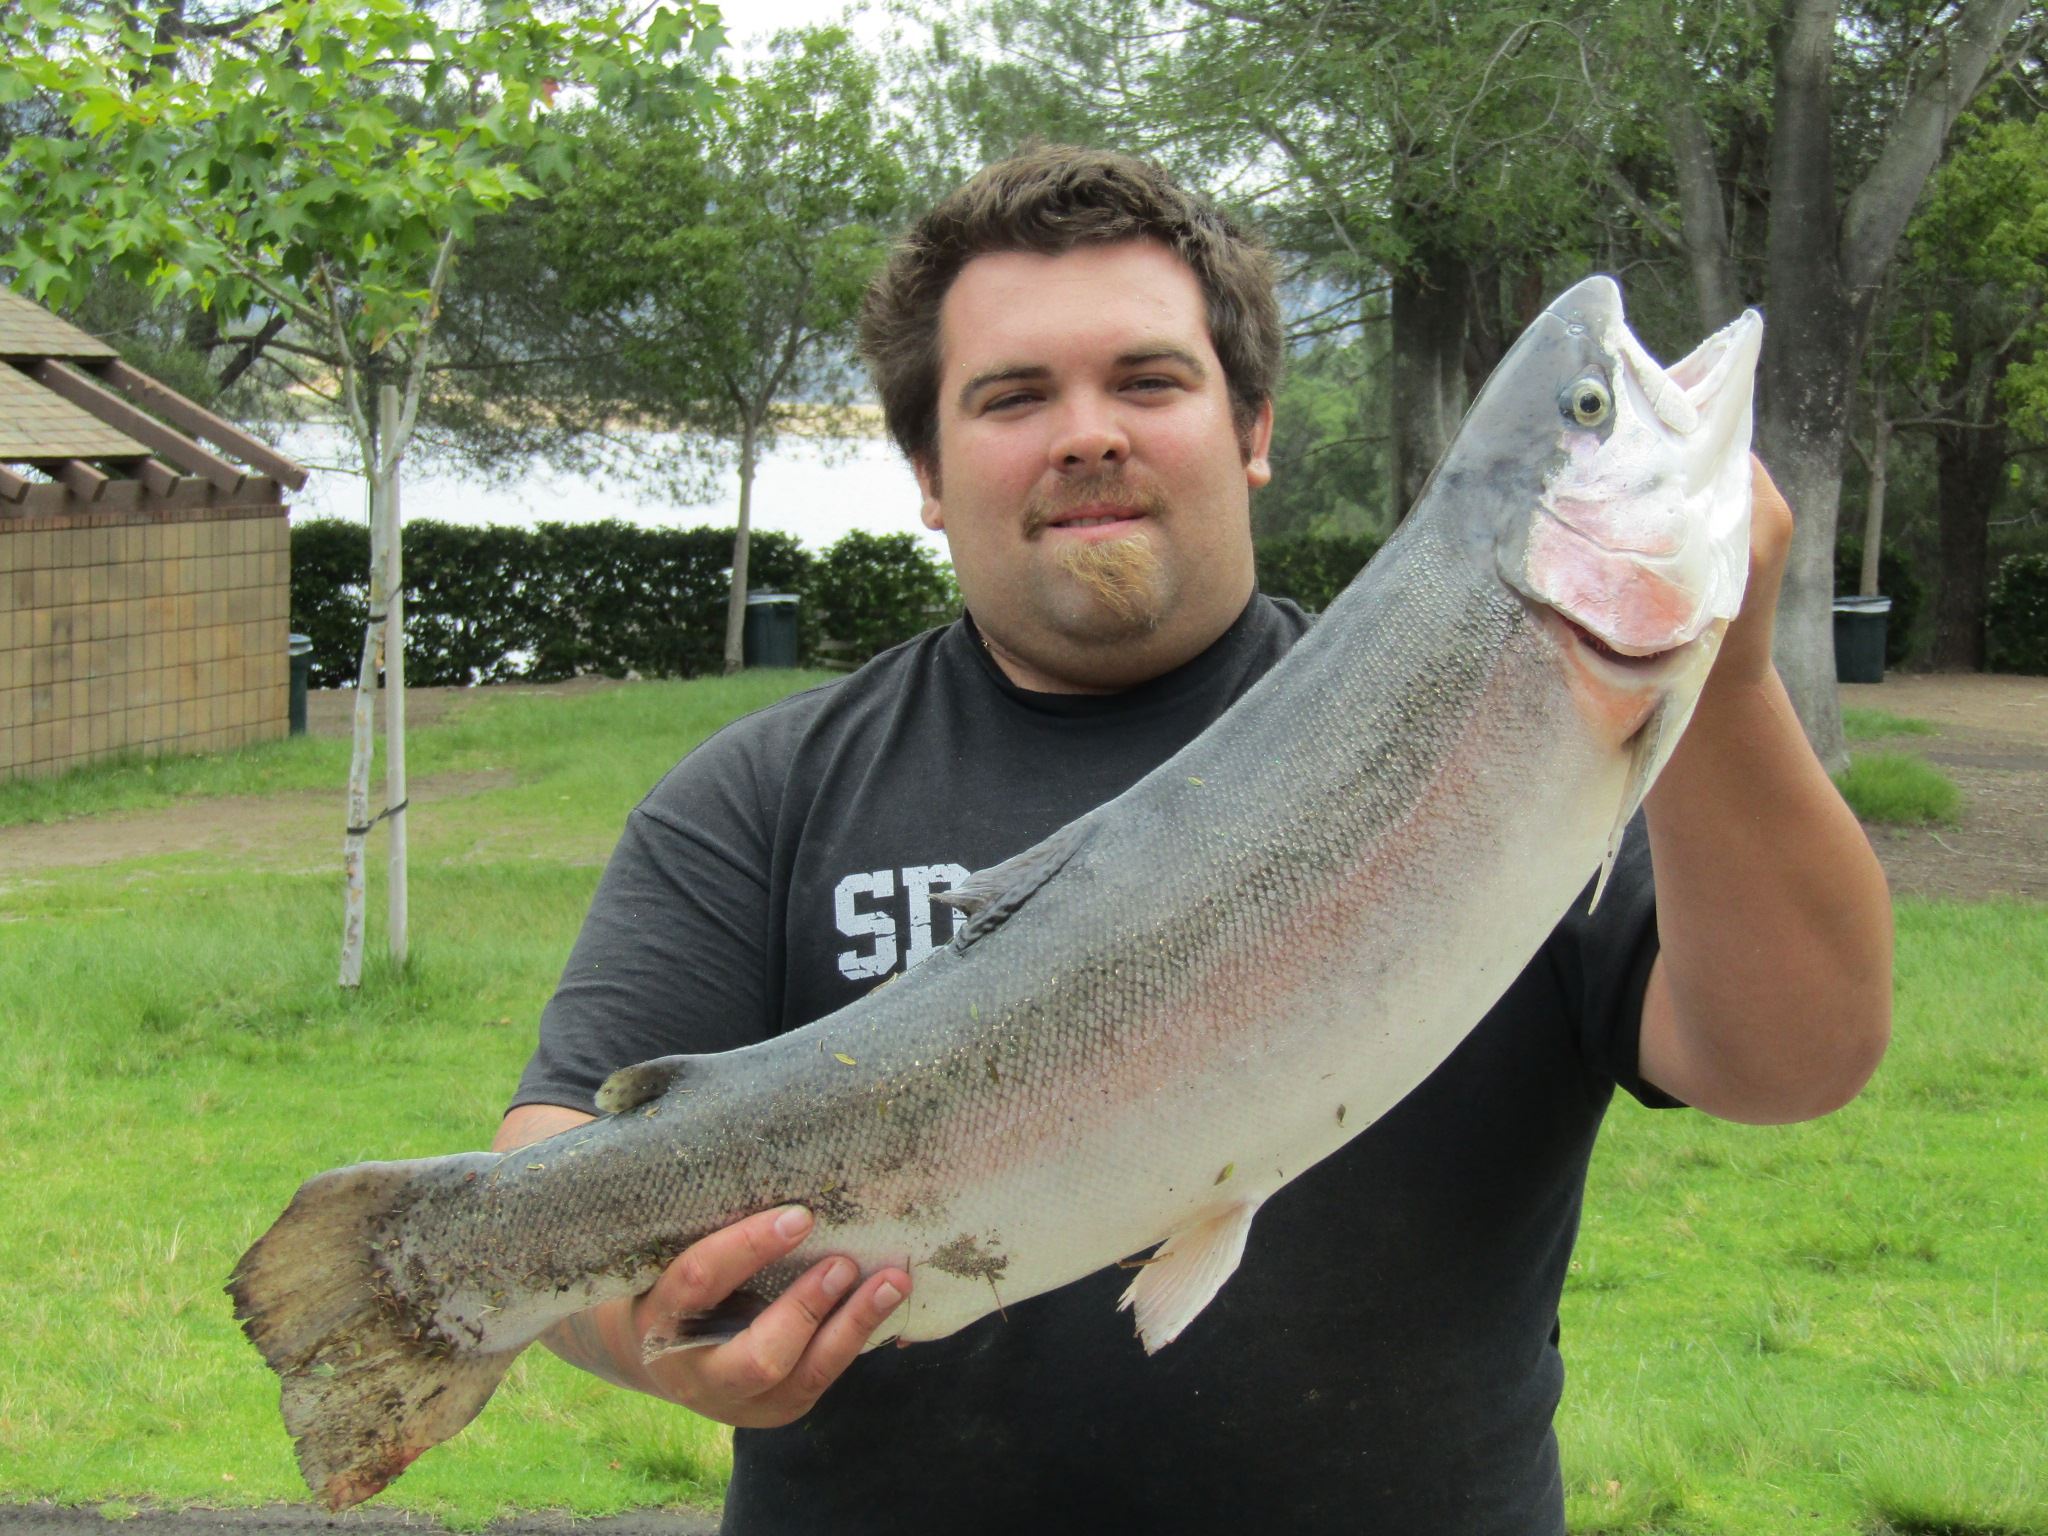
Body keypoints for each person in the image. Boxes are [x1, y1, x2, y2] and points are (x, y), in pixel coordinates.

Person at [495, 146, 1892, 1533]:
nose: (1089, 431)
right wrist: (657, 1342)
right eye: (1013, 395)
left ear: (1254, 427)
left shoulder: (1514, 742)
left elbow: (1795, 1060)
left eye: (1150, 381)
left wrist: (1728, 675)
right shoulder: (763, 793)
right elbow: (551, 1162)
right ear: (927, 469)